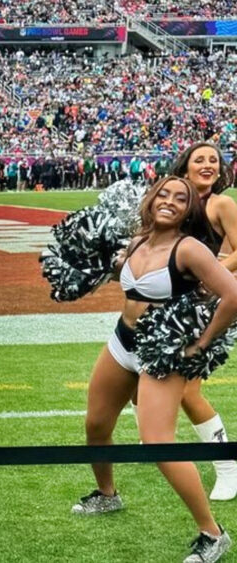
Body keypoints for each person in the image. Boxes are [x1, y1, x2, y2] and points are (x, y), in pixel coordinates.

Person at [72, 176, 236, 563]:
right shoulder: (137, 241)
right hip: (121, 341)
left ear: (188, 210)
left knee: (158, 443)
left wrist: (201, 342)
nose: (170, 201)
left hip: (162, 353)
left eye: (180, 199)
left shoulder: (190, 249)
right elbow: (119, 277)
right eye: (163, 194)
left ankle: (213, 534)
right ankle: (107, 495)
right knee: (96, 424)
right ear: (151, 199)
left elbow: (232, 295)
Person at [169, 142, 237, 501]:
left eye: (214, 160)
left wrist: (209, 277)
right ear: (185, 167)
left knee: (187, 391)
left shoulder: (221, 204)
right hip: (168, 307)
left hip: (204, 307)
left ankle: (227, 466)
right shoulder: (173, 200)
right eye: (200, 159)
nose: (209, 164)